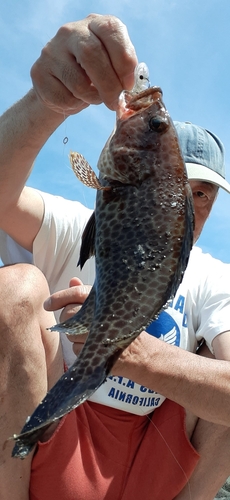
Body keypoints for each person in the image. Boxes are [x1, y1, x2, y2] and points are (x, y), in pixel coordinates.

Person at [0, 13, 230, 500]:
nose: (187, 200)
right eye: (177, 180)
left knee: (220, 365)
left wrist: (130, 354)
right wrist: (48, 102)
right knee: (14, 288)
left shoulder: (214, 277)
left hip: (155, 461)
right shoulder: (78, 217)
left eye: (204, 192)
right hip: (65, 443)